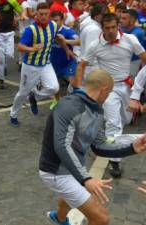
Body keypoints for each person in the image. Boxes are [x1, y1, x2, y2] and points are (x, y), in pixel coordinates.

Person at [39, 69, 146, 225]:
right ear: (104, 90)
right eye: (109, 93)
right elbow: (62, 145)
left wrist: (131, 148)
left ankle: (58, 219)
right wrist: (86, 179)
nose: (108, 97)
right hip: (56, 171)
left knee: (70, 197)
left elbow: (99, 146)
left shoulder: (97, 110)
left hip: (73, 170)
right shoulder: (69, 106)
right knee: (101, 218)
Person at [73, 13, 146, 178]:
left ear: (118, 25)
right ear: (102, 28)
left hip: (127, 86)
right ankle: (115, 159)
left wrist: (140, 87)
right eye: (107, 28)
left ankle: (105, 134)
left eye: (114, 27)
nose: (111, 31)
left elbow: (144, 58)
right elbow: (81, 66)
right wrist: (78, 90)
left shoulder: (131, 40)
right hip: (108, 88)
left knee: (126, 120)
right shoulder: (95, 45)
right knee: (114, 123)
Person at [9, 2, 69, 126]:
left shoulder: (53, 25)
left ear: (49, 14)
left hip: (46, 64)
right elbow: (20, 46)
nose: (43, 16)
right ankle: (13, 114)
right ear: (36, 14)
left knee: (54, 88)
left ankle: (34, 96)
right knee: (22, 93)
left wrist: (67, 49)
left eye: (46, 14)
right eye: (41, 14)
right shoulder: (30, 30)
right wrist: (32, 49)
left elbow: (57, 37)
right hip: (30, 65)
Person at [49, 10, 79, 109]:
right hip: (54, 63)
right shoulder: (48, 31)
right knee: (55, 87)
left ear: (62, 20)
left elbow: (79, 41)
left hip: (68, 62)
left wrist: (65, 41)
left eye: (56, 20)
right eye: (52, 21)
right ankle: (56, 100)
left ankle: (77, 102)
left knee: (74, 83)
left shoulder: (68, 31)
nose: (54, 23)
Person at [120, 9, 145, 77]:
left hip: (134, 62)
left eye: (124, 18)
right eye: (120, 18)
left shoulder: (137, 33)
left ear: (132, 21)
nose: (120, 20)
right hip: (125, 62)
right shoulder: (122, 29)